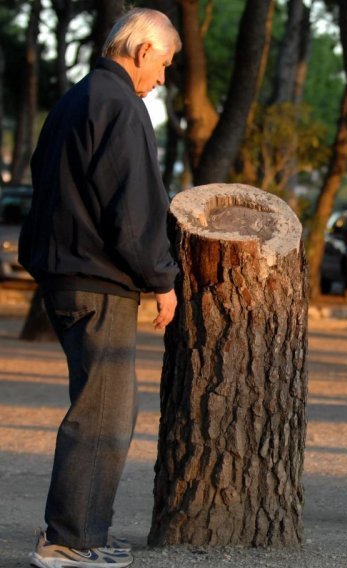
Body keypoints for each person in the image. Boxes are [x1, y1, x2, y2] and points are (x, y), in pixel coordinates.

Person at [19, 8, 181, 567]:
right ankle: (69, 541)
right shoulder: (121, 106)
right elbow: (132, 211)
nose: (162, 78)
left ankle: (82, 532)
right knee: (105, 412)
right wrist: (162, 279)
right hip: (97, 281)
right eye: (164, 64)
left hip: (63, 275)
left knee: (99, 405)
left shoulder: (73, 100)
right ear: (142, 52)